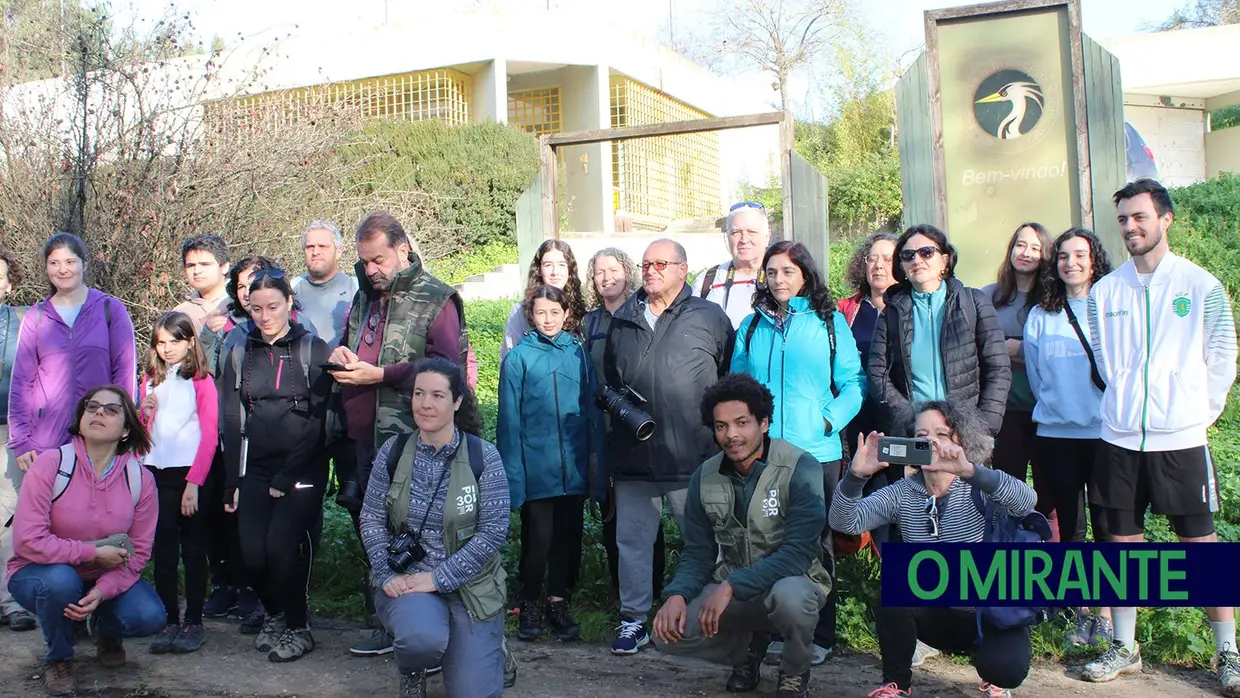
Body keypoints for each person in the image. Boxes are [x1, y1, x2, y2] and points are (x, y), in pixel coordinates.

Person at [1081, 179, 1239, 694]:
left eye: (1140, 217)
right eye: (1124, 219)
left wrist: (1195, 413)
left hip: (1181, 439)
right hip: (1120, 440)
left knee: (1202, 548)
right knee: (1121, 546)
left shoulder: (1201, 286)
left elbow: (1222, 358)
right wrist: (1127, 402)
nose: (1131, 227)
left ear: (1165, 219)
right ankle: (1125, 646)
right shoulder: (1105, 292)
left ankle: (1227, 652)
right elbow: (1104, 363)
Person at [325, 211, 469, 658]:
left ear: (403, 250)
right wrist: (345, 355)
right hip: (364, 436)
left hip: (412, 438)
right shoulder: (366, 296)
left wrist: (382, 374)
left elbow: (447, 370)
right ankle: (388, 618)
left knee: (416, 534)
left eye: (378, 260)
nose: (371, 270)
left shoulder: (437, 297)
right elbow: (357, 341)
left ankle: (425, 625)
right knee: (376, 532)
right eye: (365, 262)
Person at [830, 401, 1036, 698]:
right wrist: (856, 476)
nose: (931, 441)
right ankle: (897, 686)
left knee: (1006, 669)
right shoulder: (903, 492)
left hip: (987, 611)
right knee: (896, 582)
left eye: (942, 434)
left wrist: (970, 471)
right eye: (922, 434)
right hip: (936, 612)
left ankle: (993, 673)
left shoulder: (978, 484)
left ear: (960, 441)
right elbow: (844, 521)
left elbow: (1026, 500)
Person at [652, 373, 830, 698]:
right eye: (721, 426)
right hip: (734, 588)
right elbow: (698, 552)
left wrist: (731, 587)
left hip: (793, 582)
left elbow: (799, 552)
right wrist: (676, 595)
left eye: (741, 423)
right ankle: (746, 654)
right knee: (666, 633)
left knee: (792, 600)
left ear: (763, 423)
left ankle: (793, 672)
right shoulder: (703, 477)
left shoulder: (801, 467)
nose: (731, 435)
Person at [730, 240, 864, 666]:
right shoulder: (752, 326)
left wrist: (828, 420)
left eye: (787, 271)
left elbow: (854, 382)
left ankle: (820, 634)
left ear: (804, 274)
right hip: (763, 456)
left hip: (815, 453)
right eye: (771, 272)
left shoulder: (828, 323)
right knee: (766, 544)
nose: (778, 279)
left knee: (817, 546)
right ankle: (775, 631)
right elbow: (736, 388)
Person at [603, 238, 735, 655]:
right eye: (646, 264)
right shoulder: (622, 319)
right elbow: (609, 380)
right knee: (633, 543)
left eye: (661, 263)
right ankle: (633, 621)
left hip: (692, 455)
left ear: (683, 268)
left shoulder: (709, 317)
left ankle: (712, 619)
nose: (652, 270)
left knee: (704, 541)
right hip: (634, 456)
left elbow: (729, 377)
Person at [359, 358, 513, 698]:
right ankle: (414, 669)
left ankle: (491, 646)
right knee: (420, 640)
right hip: (410, 583)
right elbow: (371, 517)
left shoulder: (483, 457)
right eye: (418, 393)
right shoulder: (394, 451)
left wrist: (439, 578)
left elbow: (493, 531)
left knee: (473, 693)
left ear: (457, 401)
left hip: (471, 588)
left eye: (438, 395)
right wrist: (386, 574)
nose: (425, 404)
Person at [7, 386, 164, 696]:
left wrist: (102, 591)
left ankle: (104, 627)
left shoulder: (140, 480)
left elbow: (138, 554)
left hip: (103, 578)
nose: (99, 413)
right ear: (80, 420)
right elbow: (28, 541)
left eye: (111, 409)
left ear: (126, 430)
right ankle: (60, 658)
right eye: (91, 407)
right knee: (60, 582)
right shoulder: (51, 465)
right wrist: (91, 553)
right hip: (39, 573)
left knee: (150, 616)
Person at [219, 268, 333, 663]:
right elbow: (231, 417)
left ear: (289, 303)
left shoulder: (312, 349)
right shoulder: (240, 351)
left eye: (273, 306)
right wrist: (232, 479)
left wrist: (287, 477)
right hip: (258, 467)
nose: (264, 316)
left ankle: (299, 628)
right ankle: (274, 614)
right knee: (251, 555)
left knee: (281, 548)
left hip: (303, 469)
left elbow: (320, 420)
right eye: (256, 308)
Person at [838, 232, 940, 667]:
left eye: (887, 258)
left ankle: (926, 622)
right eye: (872, 258)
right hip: (864, 434)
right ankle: (896, 615)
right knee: (879, 520)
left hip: (906, 430)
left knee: (913, 519)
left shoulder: (908, 306)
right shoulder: (847, 310)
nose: (878, 265)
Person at [1022, 228, 1115, 649]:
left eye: (1080, 255)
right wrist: (1061, 410)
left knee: (1111, 526)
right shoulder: (1042, 314)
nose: (1070, 263)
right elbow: (1038, 377)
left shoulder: (1112, 307)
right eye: (1062, 256)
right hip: (1056, 434)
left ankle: (1109, 617)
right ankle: (1079, 613)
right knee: (1073, 527)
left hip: (1106, 434)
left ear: (1094, 259)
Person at [498, 285, 602, 642]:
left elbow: (590, 413)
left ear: (566, 313)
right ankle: (530, 602)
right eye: (541, 313)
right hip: (536, 469)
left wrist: (592, 469)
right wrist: (514, 477)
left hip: (572, 468)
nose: (548, 320)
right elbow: (508, 422)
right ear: (531, 314)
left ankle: (558, 602)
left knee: (567, 539)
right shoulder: (518, 359)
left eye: (555, 313)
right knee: (537, 541)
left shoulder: (578, 354)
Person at [7, 233, 137, 473]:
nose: (62, 270)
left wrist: (122, 429)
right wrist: (21, 441)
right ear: (46, 268)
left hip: (99, 438)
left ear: (84, 264)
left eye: (70, 262)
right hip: (44, 443)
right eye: (54, 263)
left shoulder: (110, 309)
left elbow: (125, 373)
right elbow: (21, 383)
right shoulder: (36, 316)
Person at [581, 248, 667, 604]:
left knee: (649, 512)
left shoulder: (643, 313)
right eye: (599, 272)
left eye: (613, 270)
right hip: (602, 427)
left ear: (627, 272)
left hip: (642, 426)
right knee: (611, 508)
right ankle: (621, 590)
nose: (606, 278)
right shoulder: (589, 323)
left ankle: (657, 589)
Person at [867, 224, 1011, 437]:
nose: (917, 260)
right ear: (903, 267)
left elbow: (998, 369)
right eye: (908, 255)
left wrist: (983, 428)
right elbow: (877, 374)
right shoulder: (891, 313)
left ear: (945, 260)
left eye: (926, 252)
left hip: (965, 432)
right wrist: (910, 418)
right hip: (915, 430)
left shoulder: (974, 302)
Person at [200, 254, 278, 625]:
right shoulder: (223, 326)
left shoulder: (287, 323)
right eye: (243, 286)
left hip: (266, 438)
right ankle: (226, 585)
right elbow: (201, 371)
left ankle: (255, 590)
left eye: (257, 283)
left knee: (255, 515)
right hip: (221, 432)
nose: (249, 293)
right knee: (222, 512)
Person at [138, 311, 219, 654]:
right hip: (155, 473)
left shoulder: (201, 380)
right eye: (161, 343)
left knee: (194, 551)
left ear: (189, 342)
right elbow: (141, 434)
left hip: (190, 475)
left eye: (175, 341)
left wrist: (194, 483)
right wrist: (144, 411)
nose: (167, 349)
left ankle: (194, 621)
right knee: (165, 551)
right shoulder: (149, 379)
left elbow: (210, 436)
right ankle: (170, 618)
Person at [981, 223, 1056, 538]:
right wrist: (1008, 349)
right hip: (1005, 412)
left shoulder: (1054, 298)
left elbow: (1059, 348)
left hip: (1047, 414)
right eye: (1020, 245)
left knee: (1050, 496)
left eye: (1035, 247)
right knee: (1006, 491)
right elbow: (979, 346)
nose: (1026, 253)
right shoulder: (988, 296)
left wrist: (1019, 347)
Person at [0, 246, 36, 632]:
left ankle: (11, 600)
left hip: (8, 431)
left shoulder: (25, 324)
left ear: (10, 285)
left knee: (9, 513)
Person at [500, 239, 587, 361]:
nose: (555, 272)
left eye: (561, 265)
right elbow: (510, 361)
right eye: (548, 265)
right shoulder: (520, 311)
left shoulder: (582, 309)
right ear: (539, 270)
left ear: (569, 270)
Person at [692, 202, 773, 328]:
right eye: (736, 232)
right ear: (726, 237)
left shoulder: (781, 280)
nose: (744, 240)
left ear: (767, 236)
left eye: (752, 232)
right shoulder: (706, 281)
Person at [292, 220, 358, 348]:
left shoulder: (356, 288)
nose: (315, 252)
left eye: (322, 246)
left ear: (338, 251)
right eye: (310, 247)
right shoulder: (292, 288)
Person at [173, 234, 232, 360]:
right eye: (191, 265)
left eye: (205, 264)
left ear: (224, 266)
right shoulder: (179, 314)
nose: (197, 271)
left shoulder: (243, 304)